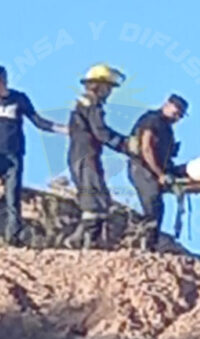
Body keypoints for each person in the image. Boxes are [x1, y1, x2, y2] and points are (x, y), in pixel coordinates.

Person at [0, 65, 68, 246]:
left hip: (13, 156)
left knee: (13, 197)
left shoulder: (19, 99)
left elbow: (38, 121)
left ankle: (13, 237)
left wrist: (64, 129)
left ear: (4, 82)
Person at [64, 64, 138, 249]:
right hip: (86, 157)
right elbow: (100, 131)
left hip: (82, 156)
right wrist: (124, 144)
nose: (109, 92)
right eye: (108, 87)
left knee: (100, 199)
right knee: (94, 203)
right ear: (98, 86)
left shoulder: (83, 104)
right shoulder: (91, 104)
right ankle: (83, 243)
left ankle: (82, 240)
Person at [127, 94, 188, 251]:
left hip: (155, 170)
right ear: (166, 104)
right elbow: (146, 148)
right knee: (153, 208)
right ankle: (145, 247)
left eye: (180, 115)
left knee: (157, 208)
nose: (177, 117)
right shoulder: (152, 120)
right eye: (176, 112)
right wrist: (159, 174)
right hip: (142, 169)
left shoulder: (167, 129)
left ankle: (149, 245)